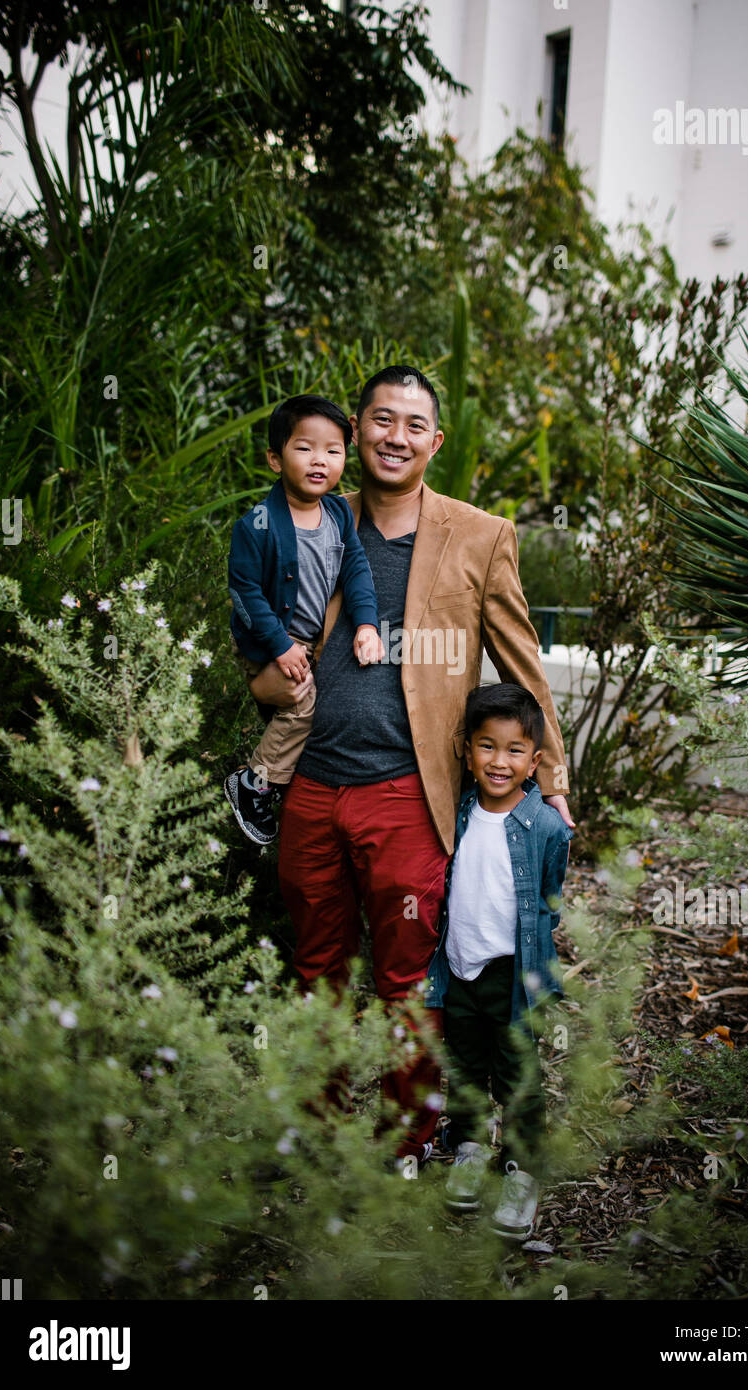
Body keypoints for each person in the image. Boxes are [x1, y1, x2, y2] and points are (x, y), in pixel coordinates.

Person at [251, 365, 575, 1163]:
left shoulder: (480, 535)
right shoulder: (311, 520)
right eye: (380, 420)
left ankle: (407, 1137)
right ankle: (316, 1127)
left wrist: (553, 780)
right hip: (311, 788)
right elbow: (268, 641)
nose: (395, 437)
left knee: (408, 980)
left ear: (435, 440)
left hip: (406, 792)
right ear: (356, 429)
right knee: (316, 964)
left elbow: (525, 671)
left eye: (413, 424)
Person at [423, 682, 572, 1240]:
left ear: (535, 761)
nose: (499, 761)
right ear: (468, 751)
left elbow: (550, 897)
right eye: (487, 746)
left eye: (514, 751)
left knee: (517, 1075)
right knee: (462, 1066)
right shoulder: (457, 810)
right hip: (458, 966)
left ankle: (520, 1170)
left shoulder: (547, 827)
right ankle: (467, 1149)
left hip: (512, 975)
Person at [224, 394, 384, 845]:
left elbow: (355, 569)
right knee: (301, 703)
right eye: (304, 448)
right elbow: (244, 593)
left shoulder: (336, 513)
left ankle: (282, 768)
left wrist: (368, 624)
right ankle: (255, 783)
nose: (320, 461)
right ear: (275, 459)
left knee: (322, 701)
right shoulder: (257, 524)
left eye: (333, 451)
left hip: (313, 641)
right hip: (269, 637)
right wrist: (279, 645)